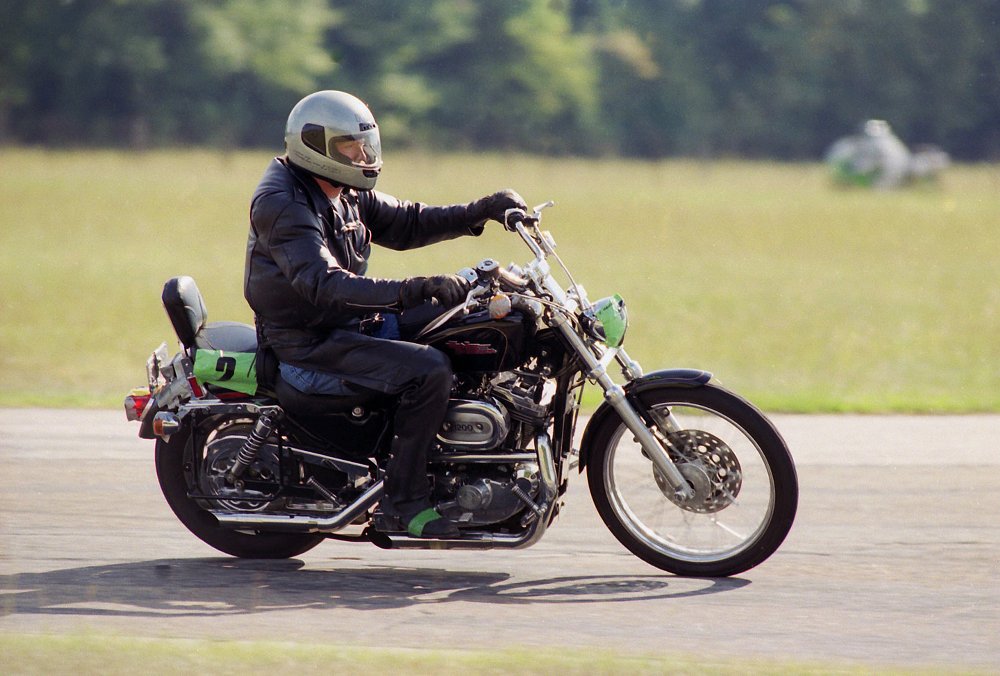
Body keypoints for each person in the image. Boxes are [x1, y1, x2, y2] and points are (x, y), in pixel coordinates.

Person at [244, 90, 525, 539]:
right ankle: (403, 503)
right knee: (427, 370)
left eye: (364, 146)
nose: (361, 157)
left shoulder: (340, 189)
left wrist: (482, 211)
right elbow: (323, 284)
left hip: (348, 324)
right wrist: (415, 288)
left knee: (460, 319)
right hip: (309, 343)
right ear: (313, 145)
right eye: (348, 149)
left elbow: (407, 221)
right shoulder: (284, 203)